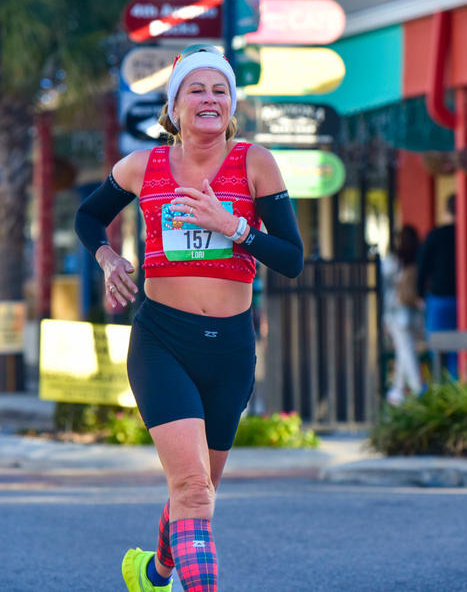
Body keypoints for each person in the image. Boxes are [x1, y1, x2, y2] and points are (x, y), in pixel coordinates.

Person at [75, 44, 303, 592]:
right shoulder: (141, 167)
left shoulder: (256, 163)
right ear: (174, 108)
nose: (210, 99)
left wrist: (237, 229)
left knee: (198, 490)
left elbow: (292, 259)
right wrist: (108, 258)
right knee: (194, 490)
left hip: (229, 347)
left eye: (220, 90)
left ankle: (153, 573)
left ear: (232, 105)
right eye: (196, 90)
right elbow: (88, 216)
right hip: (163, 342)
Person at [416, 194, 459, 380]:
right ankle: (458, 390)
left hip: (439, 298)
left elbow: (422, 266)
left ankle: (442, 393)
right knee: (459, 350)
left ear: (446, 210)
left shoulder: (436, 235)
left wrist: (420, 293)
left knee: (437, 348)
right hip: (463, 300)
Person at [383, 225, 424, 405]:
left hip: (398, 314)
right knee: (404, 351)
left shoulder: (393, 262)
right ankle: (398, 391)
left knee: (405, 350)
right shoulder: (419, 259)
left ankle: (417, 388)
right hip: (416, 312)